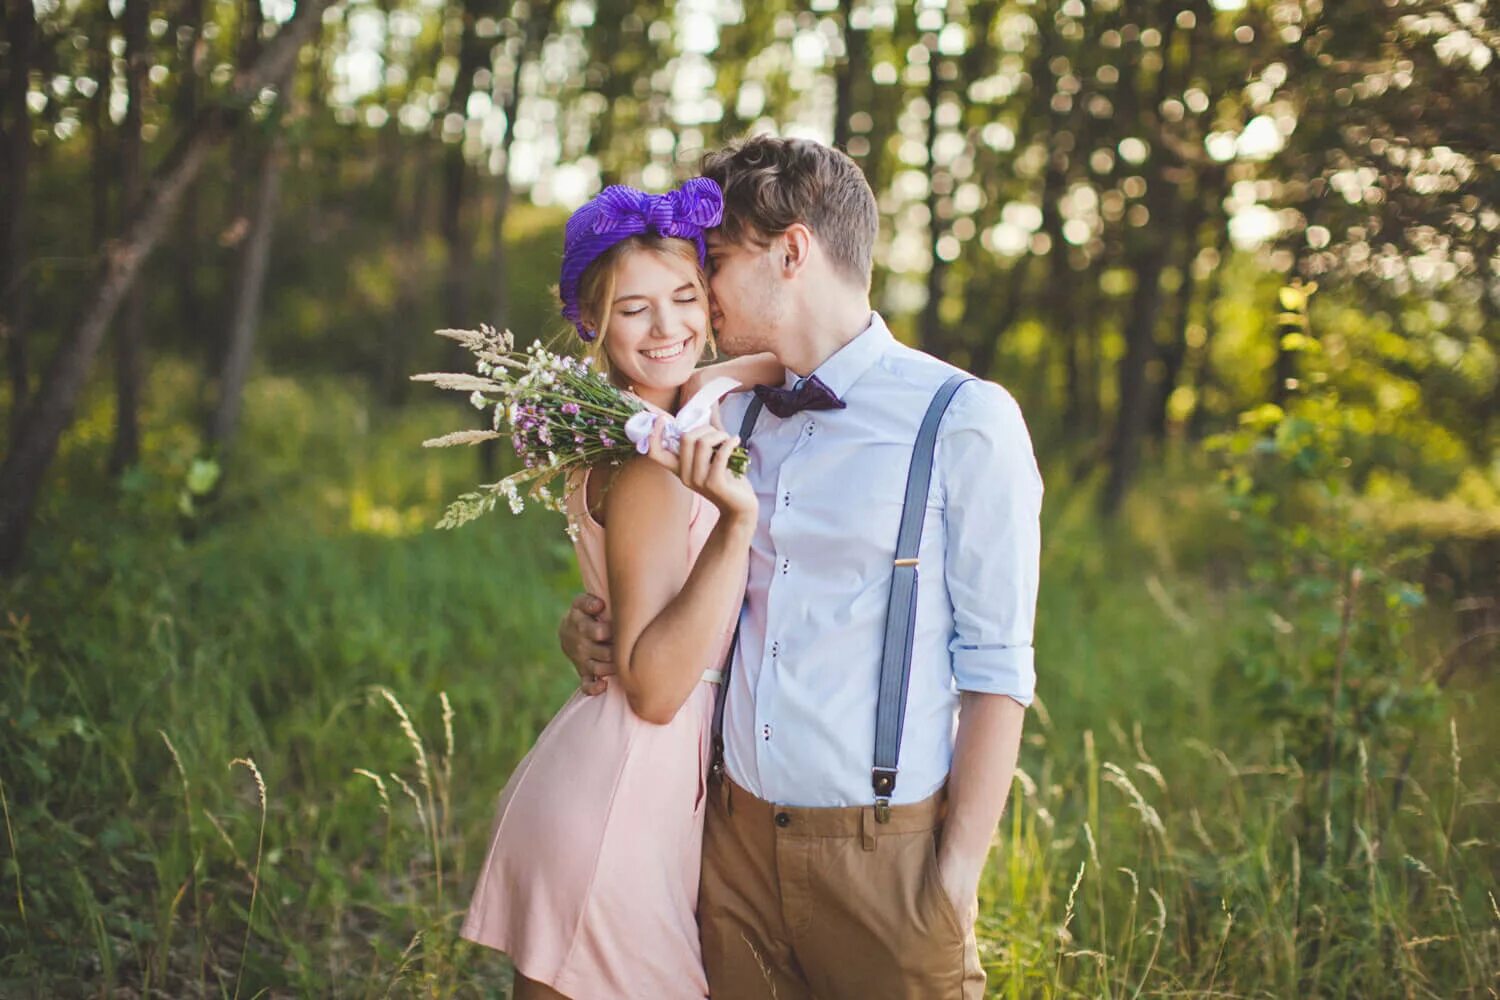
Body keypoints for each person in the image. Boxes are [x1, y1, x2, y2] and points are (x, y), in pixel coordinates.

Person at [558, 135, 1043, 999]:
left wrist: (953, 881)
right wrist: (591, 621)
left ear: (791, 252)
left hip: (884, 861)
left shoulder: (964, 418)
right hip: (728, 844)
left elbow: (998, 668)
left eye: (715, 261)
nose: (698, 288)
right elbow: (648, 560)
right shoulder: (727, 406)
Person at [461, 177, 781, 1000]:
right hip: (622, 793)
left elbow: (766, 361)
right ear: (591, 326)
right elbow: (653, 685)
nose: (670, 326)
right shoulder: (653, 464)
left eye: (684, 296)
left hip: (626, 787)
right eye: (635, 310)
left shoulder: (646, 430)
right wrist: (736, 528)